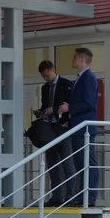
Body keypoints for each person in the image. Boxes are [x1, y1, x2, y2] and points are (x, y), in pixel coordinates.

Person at [58, 47, 99, 205]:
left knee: (87, 163)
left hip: (84, 129)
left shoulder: (88, 77)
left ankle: (89, 197)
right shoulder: (82, 77)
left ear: (82, 60)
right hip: (78, 127)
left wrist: (70, 108)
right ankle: (82, 196)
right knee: (81, 163)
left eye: (75, 58)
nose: (72, 60)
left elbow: (89, 103)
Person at [36, 60, 78, 206]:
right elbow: (45, 105)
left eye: (47, 75)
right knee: (52, 164)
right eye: (43, 77)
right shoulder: (44, 88)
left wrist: (53, 110)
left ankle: (71, 195)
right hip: (50, 128)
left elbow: (69, 105)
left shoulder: (66, 84)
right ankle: (57, 196)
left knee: (67, 162)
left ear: (53, 70)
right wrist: (41, 112)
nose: (46, 79)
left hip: (63, 127)